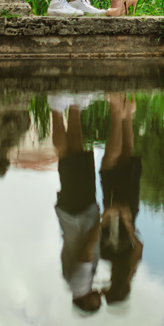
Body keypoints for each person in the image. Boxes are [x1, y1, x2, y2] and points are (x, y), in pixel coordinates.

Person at [50, 92, 106, 313]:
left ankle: (56, 108)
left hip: (79, 213)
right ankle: (74, 106)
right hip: (74, 214)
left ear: (85, 303)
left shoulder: (80, 284)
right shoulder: (73, 283)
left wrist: (100, 224)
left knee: (67, 156)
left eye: (95, 305)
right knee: (76, 154)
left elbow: (86, 252)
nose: (98, 302)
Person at [98, 93, 143, 304]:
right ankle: (120, 107)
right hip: (126, 210)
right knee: (119, 160)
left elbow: (97, 231)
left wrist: (107, 214)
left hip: (116, 208)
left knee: (119, 159)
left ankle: (124, 109)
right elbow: (138, 244)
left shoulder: (107, 256)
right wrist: (125, 218)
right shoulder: (123, 261)